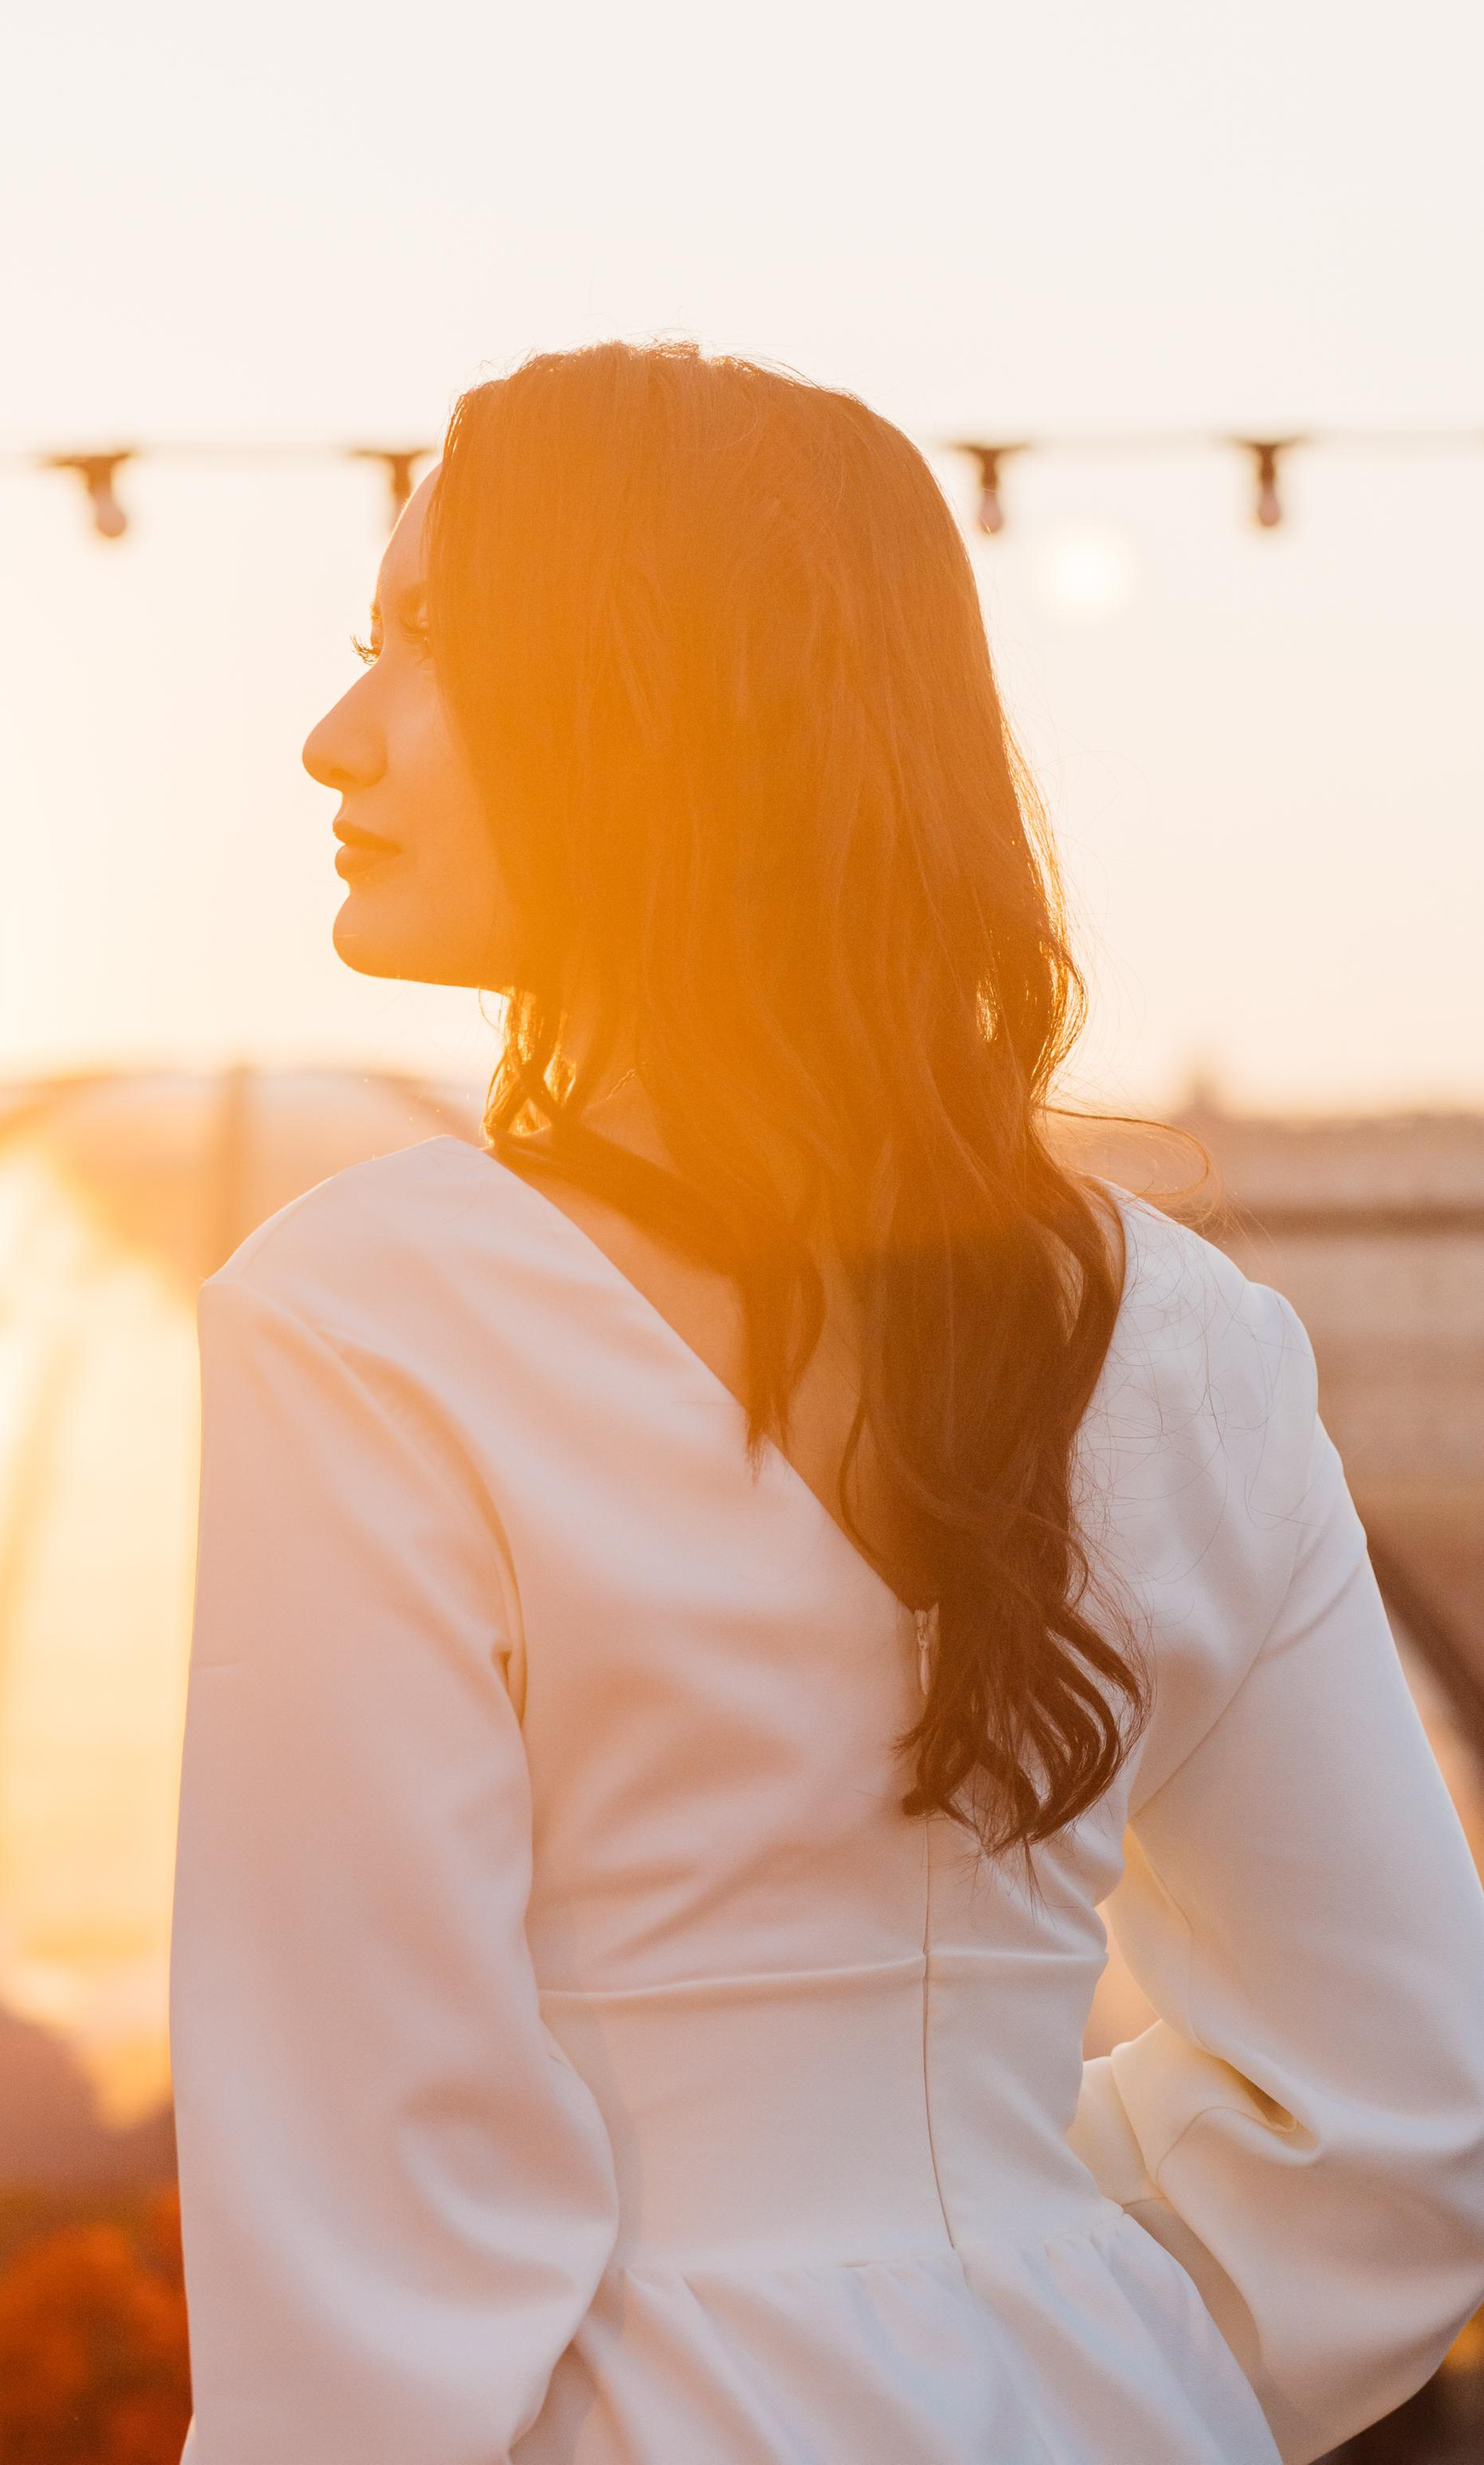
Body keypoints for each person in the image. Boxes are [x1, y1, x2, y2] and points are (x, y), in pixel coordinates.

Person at [170, 341, 1484, 2463]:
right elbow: (1407, 2124)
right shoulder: (1186, 1339)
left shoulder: (365, 1317)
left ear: (652, 717)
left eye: (425, 649)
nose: (333, 736)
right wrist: (1005, 2290)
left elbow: (357, 2227)